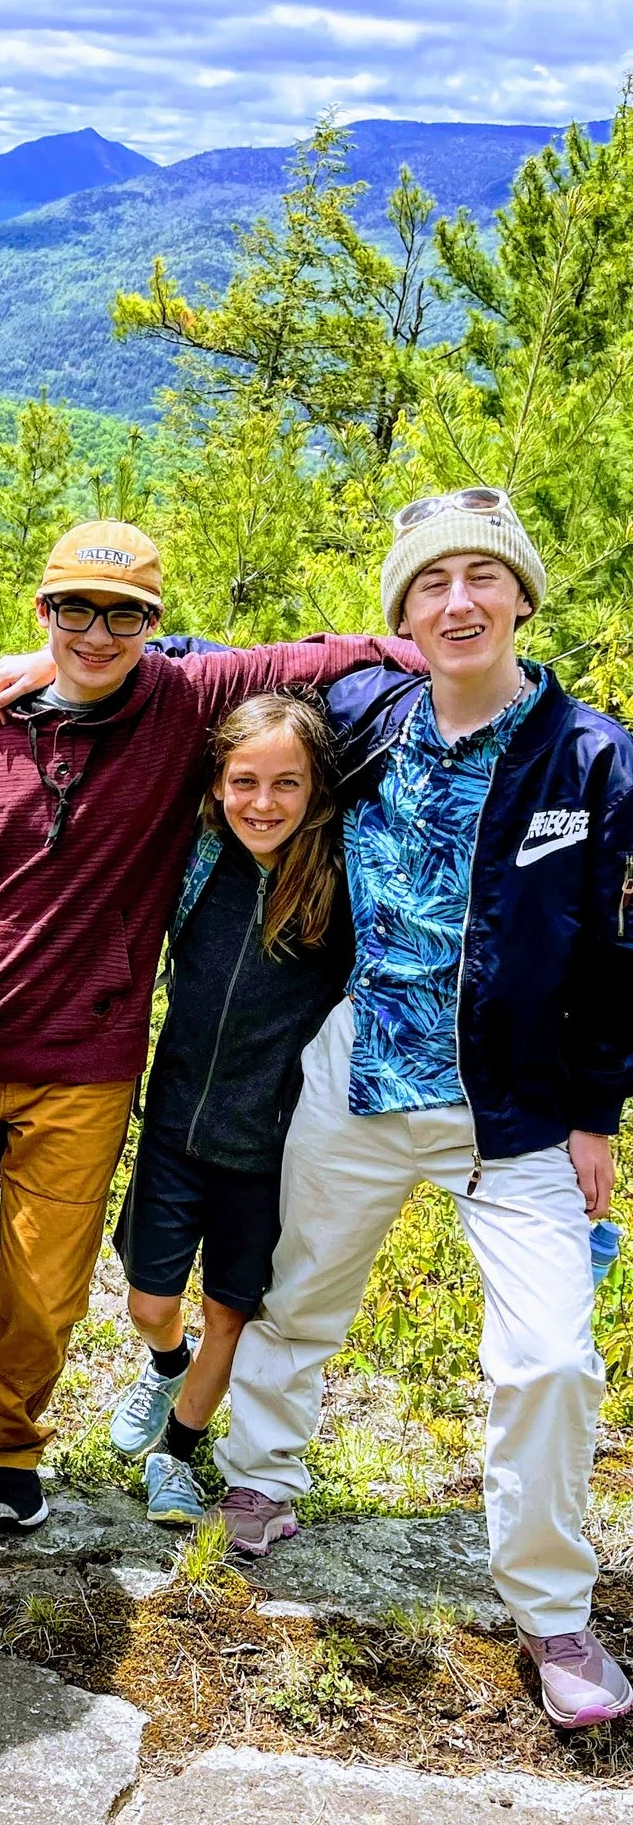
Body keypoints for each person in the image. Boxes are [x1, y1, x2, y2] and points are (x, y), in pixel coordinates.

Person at [0, 521, 416, 1529]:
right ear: (42, 613)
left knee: (42, 1285)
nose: (96, 632)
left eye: (123, 614)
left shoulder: (182, 705)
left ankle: (10, 1448)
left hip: (86, 1062)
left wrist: (439, 647)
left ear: (153, 625)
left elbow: (317, 658)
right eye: (74, 609)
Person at [209, 494, 633, 1728]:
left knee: (548, 1357)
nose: (458, 601)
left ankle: (552, 1610)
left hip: (519, 1110)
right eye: (430, 583)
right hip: (358, 1075)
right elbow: (228, 689)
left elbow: (619, 952)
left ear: (520, 598)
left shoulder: (593, 757)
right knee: (298, 1295)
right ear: (399, 617)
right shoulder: (368, 721)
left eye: (482, 578)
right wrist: (104, 651)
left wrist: (597, 1111)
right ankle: (258, 1480)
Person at [104, 692, 349, 1528]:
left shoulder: (337, 888)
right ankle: (163, 1363)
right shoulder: (200, 861)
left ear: (317, 788)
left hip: (269, 1147)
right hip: (175, 1127)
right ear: (216, 784)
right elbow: (173, 675)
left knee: (230, 1314)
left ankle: (178, 1454)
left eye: (288, 783)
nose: (264, 802)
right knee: (148, 1301)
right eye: (245, 780)